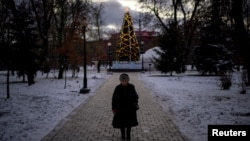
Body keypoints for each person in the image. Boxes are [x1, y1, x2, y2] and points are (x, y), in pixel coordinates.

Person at [112, 73, 139, 140]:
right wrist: (114, 108)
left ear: (128, 80)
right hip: (120, 109)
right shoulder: (118, 88)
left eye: (126, 81)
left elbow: (135, 96)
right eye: (123, 81)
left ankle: (128, 136)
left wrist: (134, 102)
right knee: (122, 123)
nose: (124, 82)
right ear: (120, 81)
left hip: (130, 109)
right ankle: (123, 135)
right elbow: (114, 98)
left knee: (129, 123)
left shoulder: (131, 86)